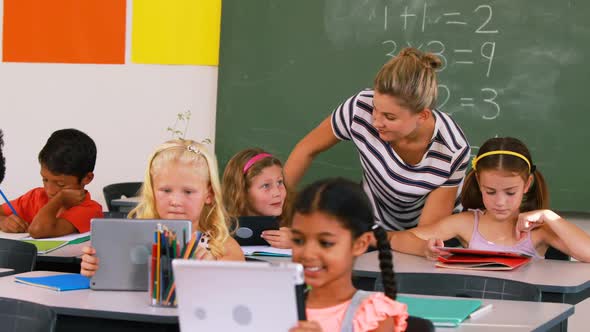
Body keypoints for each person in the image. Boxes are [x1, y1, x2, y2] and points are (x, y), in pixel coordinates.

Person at [284, 48, 470, 231]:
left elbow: (425, 235)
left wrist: (377, 240)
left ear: (422, 116)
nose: (376, 122)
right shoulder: (358, 109)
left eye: (390, 117)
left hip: (424, 238)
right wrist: (283, 211)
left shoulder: (452, 149)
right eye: (375, 108)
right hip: (371, 224)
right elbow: (305, 150)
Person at [389, 137, 590, 262]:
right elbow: (396, 239)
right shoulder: (466, 223)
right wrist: (424, 249)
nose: (500, 202)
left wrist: (549, 216)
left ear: (527, 184)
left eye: (510, 192)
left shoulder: (539, 232)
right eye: (490, 192)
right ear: (478, 182)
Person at [81, 139, 244, 277]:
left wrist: (213, 268)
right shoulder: (131, 240)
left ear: (209, 194)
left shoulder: (223, 246)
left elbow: (238, 285)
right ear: (152, 190)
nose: (175, 201)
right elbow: (112, 279)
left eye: (188, 192)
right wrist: (95, 268)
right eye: (166, 190)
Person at [289, 178, 408, 332]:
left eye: (326, 243)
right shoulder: (281, 305)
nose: (308, 253)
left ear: (360, 244)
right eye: (298, 240)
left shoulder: (373, 315)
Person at [0, 128, 102, 238]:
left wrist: (60, 198)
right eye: (45, 179)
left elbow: (38, 230)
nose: (49, 190)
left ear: (87, 178)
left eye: (60, 184)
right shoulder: (36, 197)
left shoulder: (91, 211)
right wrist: (3, 221)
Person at [222, 148, 291, 248]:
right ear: (243, 191)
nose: (277, 193)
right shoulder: (220, 229)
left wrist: (297, 243)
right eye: (266, 186)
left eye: (280, 182)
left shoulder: (295, 225)